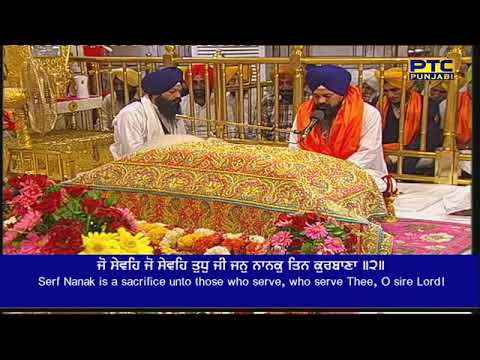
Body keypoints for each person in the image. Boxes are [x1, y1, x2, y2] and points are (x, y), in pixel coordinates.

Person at [289, 64, 390, 193]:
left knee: (369, 184)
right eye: (316, 96)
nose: (320, 101)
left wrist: (333, 173)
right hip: (314, 173)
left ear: (342, 94)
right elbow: (295, 147)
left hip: (354, 170)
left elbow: (367, 152)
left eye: (327, 96)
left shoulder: (368, 113)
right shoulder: (305, 112)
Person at [110, 67, 186, 160]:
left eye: (179, 91)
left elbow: (182, 144)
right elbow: (134, 155)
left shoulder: (170, 109)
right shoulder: (131, 114)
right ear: (156, 94)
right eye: (172, 92)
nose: (178, 95)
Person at [377, 67, 443, 175]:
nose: (390, 95)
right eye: (386, 91)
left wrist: (398, 155)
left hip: (413, 155)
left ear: (407, 88)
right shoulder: (378, 102)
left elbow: (431, 137)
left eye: (394, 90)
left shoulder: (427, 104)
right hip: (383, 154)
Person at [261, 64, 296, 141]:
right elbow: (259, 132)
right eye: (280, 83)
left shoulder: (308, 99)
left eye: (289, 83)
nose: (285, 87)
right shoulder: (268, 100)